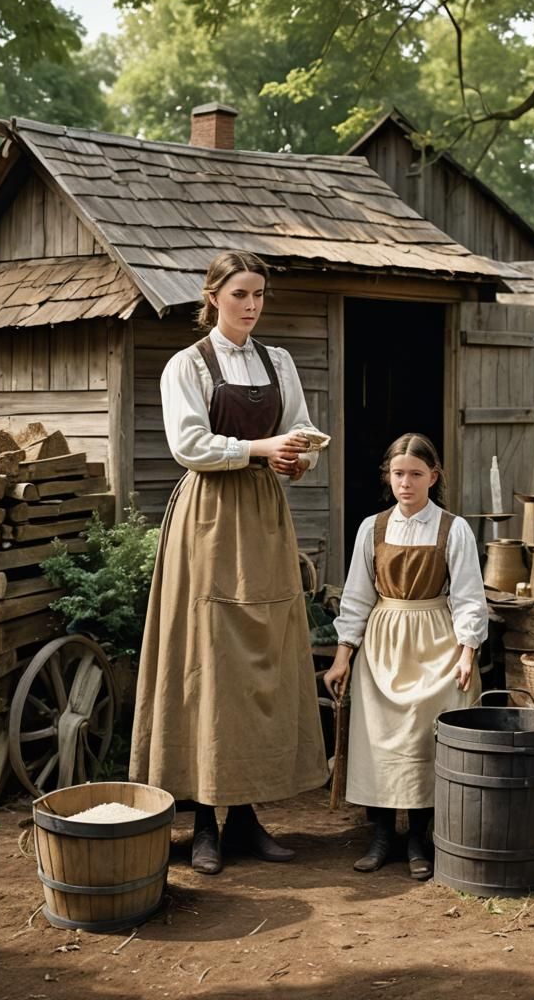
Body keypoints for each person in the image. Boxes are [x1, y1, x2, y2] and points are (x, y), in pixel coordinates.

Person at [130, 250, 329, 875]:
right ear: (213, 295)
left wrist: (297, 457)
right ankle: (204, 823)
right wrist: (259, 446)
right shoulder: (186, 365)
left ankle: (246, 816)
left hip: (264, 516)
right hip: (210, 517)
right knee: (208, 658)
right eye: (241, 293)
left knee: (259, 656)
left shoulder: (280, 362)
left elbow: (299, 431)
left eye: (260, 294)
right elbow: (189, 444)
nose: (252, 304)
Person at [323, 433, 487, 880]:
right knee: (380, 740)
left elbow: (470, 597)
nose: (406, 483)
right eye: (398, 474)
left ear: (433, 477)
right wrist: (343, 656)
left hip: (435, 640)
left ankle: (418, 836)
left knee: (423, 739)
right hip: (382, 645)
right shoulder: (371, 528)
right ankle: (380, 835)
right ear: (388, 477)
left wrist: (467, 650)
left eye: (416, 474)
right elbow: (356, 598)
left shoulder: (454, 528)